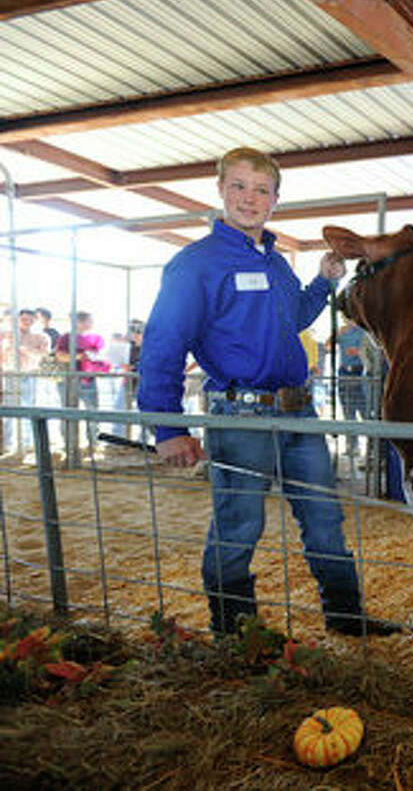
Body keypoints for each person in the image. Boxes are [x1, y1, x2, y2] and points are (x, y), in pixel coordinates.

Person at [137, 146, 397, 637]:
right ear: (220, 190)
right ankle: (236, 635)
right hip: (241, 416)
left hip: (300, 412)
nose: (249, 199)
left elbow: (292, 319)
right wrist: (168, 427)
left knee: (325, 518)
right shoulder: (195, 265)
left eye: (261, 190)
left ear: (276, 199)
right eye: (238, 186)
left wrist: (322, 285)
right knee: (238, 525)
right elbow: (163, 346)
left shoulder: (276, 263)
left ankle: (346, 616)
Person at [55, 310, 110, 452]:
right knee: (68, 412)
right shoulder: (66, 337)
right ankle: (70, 445)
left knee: (92, 412)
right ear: (79, 322)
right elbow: (60, 356)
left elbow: (103, 356)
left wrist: (99, 361)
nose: (91, 324)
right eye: (89, 321)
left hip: (89, 379)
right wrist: (79, 357)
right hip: (69, 379)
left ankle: (93, 444)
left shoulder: (95, 338)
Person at [2, 308, 50, 455]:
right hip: (9, 373)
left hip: (30, 373)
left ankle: (28, 443)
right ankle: (8, 444)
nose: (27, 322)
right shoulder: (6, 335)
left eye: (30, 319)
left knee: (30, 407)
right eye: (24, 319)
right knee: (9, 408)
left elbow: (44, 354)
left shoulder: (41, 336)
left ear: (35, 321)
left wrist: (24, 349)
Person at [329, 322, 370, 464]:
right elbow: (329, 345)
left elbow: (369, 351)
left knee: (364, 410)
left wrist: (357, 351)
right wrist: (336, 334)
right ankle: (352, 446)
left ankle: (371, 450)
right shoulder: (342, 331)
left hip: (359, 372)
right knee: (348, 410)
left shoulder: (363, 332)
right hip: (343, 372)